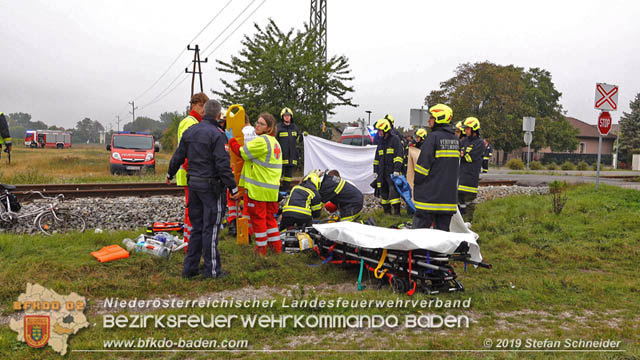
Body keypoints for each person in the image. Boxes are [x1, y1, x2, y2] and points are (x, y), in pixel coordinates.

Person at [166, 99, 238, 279]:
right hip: (211, 189)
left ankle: (189, 269)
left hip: (194, 186)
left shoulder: (191, 131)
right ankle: (212, 272)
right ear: (219, 115)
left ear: (204, 112)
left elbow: (178, 156)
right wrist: (233, 187)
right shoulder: (217, 134)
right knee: (211, 229)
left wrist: (169, 174)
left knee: (197, 228)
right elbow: (222, 165)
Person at [228, 113, 283, 256]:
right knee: (270, 221)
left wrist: (231, 140)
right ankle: (276, 248)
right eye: (257, 122)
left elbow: (242, 153)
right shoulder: (275, 142)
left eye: (261, 124)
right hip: (271, 191)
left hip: (258, 191)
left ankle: (260, 250)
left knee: (258, 221)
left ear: (269, 128)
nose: (257, 126)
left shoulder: (262, 141)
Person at [412, 104, 460, 231]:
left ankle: (420, 252)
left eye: (431, 117)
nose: (429, 121)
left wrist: (417, 182)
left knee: (419, 234)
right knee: (442, 237)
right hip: (448, 198)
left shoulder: (432, 138)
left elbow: (423, 167)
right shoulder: (456, 140)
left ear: (439, 118)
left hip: (429, 197)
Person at [175, 92, 209, 244]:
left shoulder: (197, 121)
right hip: (190, 173)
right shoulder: (190, 122)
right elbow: (188, 149)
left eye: (205, 106)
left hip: (193, 173)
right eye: (200, 106)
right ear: (193, 105)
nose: (203, 109)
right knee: (192, 211)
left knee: (195, 211)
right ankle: (189, 244)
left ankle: (191, 242)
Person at [227, 114, 257, 237]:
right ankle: (248, 229)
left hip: (240, 169)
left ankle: (235, 225)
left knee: (232, 196)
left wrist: (231, 139)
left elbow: (240, 152)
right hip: (253, 172)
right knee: (248, 201)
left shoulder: (240, 132)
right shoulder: (256, 132)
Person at [373, 118, 403, 215]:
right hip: (382, 172)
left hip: (392, 172)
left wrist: (397, 170)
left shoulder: (395, 140)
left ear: (386, 130)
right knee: (383, 193)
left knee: (393, 193)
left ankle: (397, 213)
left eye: (380, 130)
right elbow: (377, 158)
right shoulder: (381, 142)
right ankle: (387, 213)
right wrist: (375, 170)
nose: (379, 132)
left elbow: (399, 156)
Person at [458, 117, 485, 222]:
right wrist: (462, 154)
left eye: (468, 129)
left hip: (471, 177)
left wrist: (463, 155)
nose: (465, 131)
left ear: (474, 130)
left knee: (469, 201)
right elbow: (459, 153)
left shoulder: (480, 143)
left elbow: (470, 158)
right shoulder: (464, 141)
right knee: (459, 200)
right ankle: (461, 221)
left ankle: (469, 221)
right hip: (461, 175)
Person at [275, 107, 302, 192]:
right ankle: (276, 190)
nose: (287, 117)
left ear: (291, 117)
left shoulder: (295, 127)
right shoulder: (278, 128)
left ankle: (286, 190)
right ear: (282, 117)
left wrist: (303, 136)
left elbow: (298, 140)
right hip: (280, 157)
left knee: (288, 176)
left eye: (288, 116)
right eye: (285, 116)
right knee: (277, 175)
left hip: (291, 157)